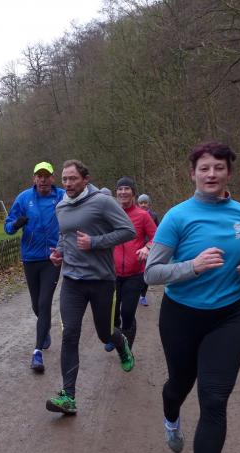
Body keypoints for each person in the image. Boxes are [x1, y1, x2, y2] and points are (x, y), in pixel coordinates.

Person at [144, 142, 240, 453]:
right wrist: (192, 266)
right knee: (178, 386)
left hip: (229, 316)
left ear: (229, 173)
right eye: (204, 168)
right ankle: (171, 417)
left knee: (214, 399)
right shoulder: (178, 217)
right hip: (181, 316)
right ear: (192, 173)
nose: (211, 174)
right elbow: (152, 273)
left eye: (219, 168)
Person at [45, 160, 137, 415]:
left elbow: (128, 231)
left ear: (85, 179)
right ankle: (68, 397)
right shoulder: (61, 205)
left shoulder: (103, 202)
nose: (68, 183)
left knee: (104, 334)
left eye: (73, 178)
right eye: (64, 179)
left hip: (101, 280)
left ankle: (121, 343)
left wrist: (95, 241)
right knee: (69, 334)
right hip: (72, 281)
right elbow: (65, 236)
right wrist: (59, 253)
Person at [4, 161, 65, 372]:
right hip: (30, 258)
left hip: (52, 258)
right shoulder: (24, 198)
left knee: (45, 302)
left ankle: (37, 352)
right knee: (36, 304)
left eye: (47, 176)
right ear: (34, 178)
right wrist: (15, 224)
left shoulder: (62, 197)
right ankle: (44, 328)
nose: (43, 180)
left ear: (52, 178)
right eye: (39, 176)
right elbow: (8, 227)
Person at [107, 176, 156, 352]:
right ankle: (115, 336)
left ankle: (126, 349)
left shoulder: (143, 215)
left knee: (127, 313)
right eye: (120, 189)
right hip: (111, 273)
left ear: (133, 193)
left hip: (134, 274)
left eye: (127, 188)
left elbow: (156, 236)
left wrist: (147, 247)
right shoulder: (110, 214)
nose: (123, 192)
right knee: (112, 313)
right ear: (116, 193)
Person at [137, 193, 160, 306]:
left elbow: (158, 231)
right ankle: (134, 293)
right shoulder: (135, 214)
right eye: (141, 203)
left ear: (149, 203)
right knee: (136, 272)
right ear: (138, 204)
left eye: (145, 202)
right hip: (137, 247)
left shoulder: (154, 215)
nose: (143, 205)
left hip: (149, 248)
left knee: (146, 271)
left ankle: (143, 296)